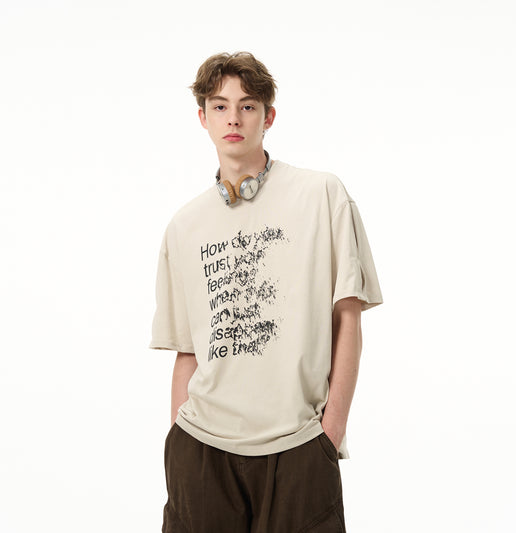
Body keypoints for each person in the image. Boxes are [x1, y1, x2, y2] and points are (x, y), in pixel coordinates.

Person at [148, 51, 383, 533]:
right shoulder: (184, 226)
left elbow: (348, 318)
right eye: (219, 106)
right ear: (203, 118)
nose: (233, 118)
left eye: (247, 106)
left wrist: (329, 433)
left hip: (299, 448)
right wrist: (176, 443)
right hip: (202, 453)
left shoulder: (322, 195)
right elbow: (187, 350)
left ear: (268, 116)